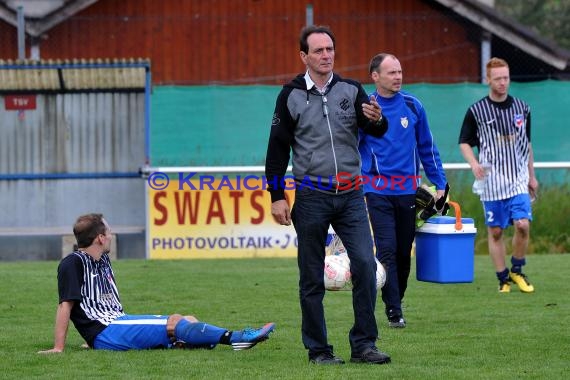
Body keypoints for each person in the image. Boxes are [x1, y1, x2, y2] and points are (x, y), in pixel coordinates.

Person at [264, 25, 391, 365]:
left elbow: (375, 128)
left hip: (351, 196)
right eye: (318, 50)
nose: (326, 55)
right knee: (310, 276)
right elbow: (277, 150)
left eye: (330, 49)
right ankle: (319, 350)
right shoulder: (289, 95)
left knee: (365, 264)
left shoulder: (351, 89)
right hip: (311, 196)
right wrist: (277, 195)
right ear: (304, 56)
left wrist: (378, 120)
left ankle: (364, 345)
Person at [38, 213, 275, 353]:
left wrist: (90, 340)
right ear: (100, 238)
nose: (111, 235)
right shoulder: (73, 263)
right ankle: (238, 337)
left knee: (188, 319)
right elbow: (65, 306)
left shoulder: (103, 260)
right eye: (108, 232)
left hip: (115, 324)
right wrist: (60, 347)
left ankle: (199, 342)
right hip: (108, 330)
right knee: (175, 323)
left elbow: (96, 304)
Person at [358, 53, 448, 329]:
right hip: (376, 189)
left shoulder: (413, 105)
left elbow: (427, 147)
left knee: (402, 251)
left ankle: (395, 299)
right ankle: (394, 310)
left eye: (399, 71)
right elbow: (351, 146)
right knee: (386, 248)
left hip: (408, 191)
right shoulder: (365, 109)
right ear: (375, 76)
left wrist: (440, 183)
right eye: (391, 72)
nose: (398, 76)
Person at [458, 57, 538, 293]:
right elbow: (464, 142)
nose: (503, 82)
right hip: (491, 182)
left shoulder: (522, 108)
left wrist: (532, 176)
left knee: (522, 225)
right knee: (496, 231)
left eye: (506, 77)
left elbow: (528, 144)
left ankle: (517, 269)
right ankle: (503, 278)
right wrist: (474, 163)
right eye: (498, 78)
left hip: (517, 179)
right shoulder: (477, 111)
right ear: (488, 80)